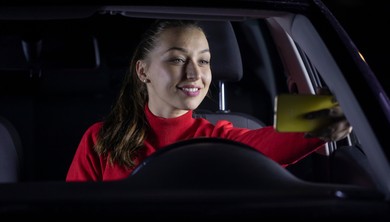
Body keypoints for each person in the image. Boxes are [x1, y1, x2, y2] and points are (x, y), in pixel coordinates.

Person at [66, 19, 352, 182]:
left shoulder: (221, 139)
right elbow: (75, 221)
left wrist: (337, 111)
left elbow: (278, 140)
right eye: (178, 59)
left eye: (204, 61)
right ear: (143, 71)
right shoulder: (101, 139)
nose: (194, 74)